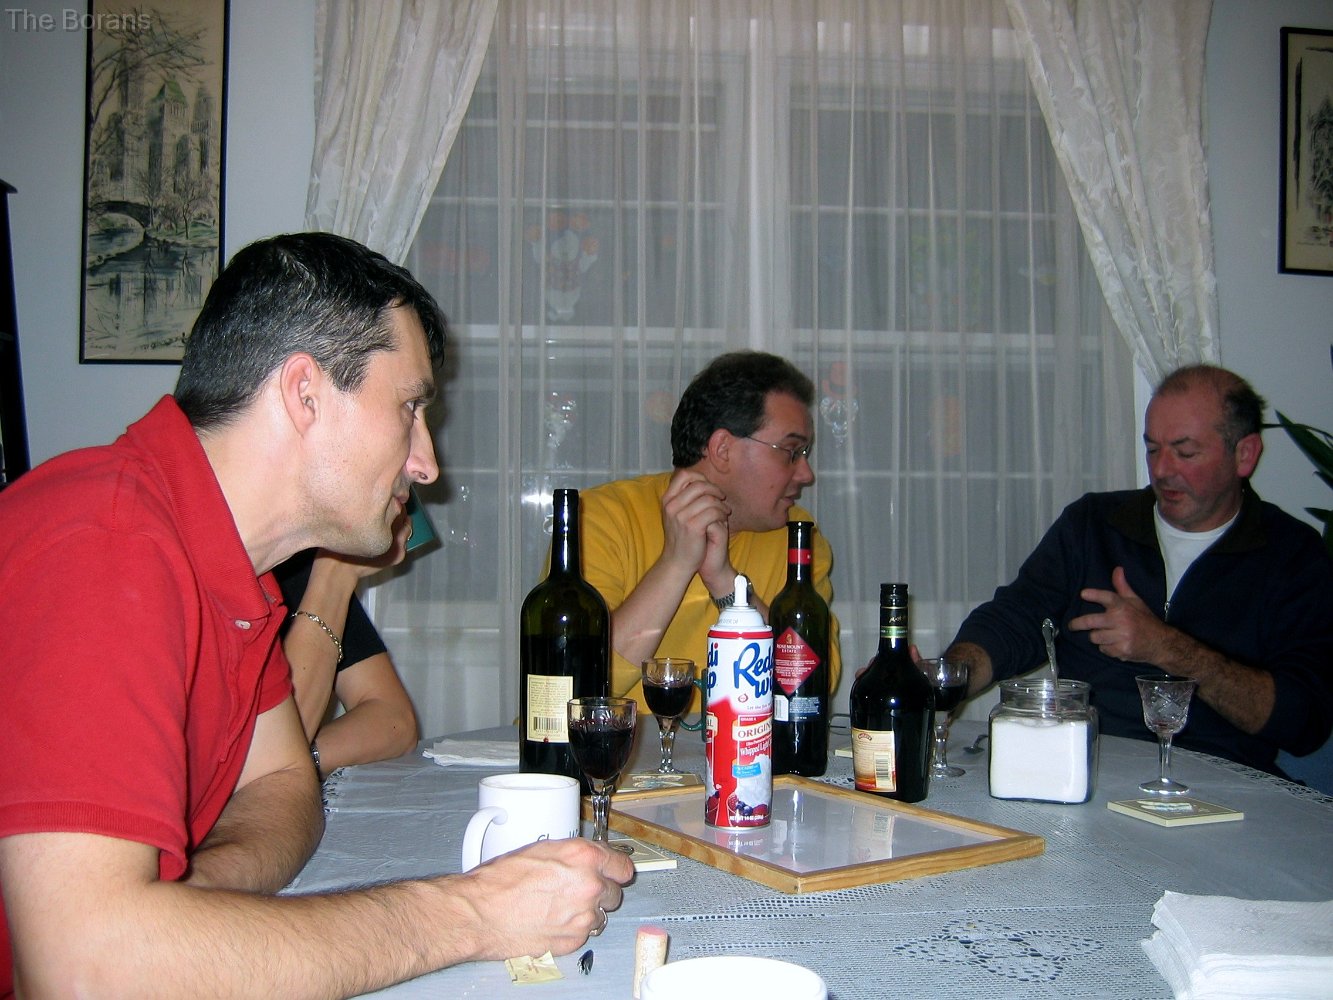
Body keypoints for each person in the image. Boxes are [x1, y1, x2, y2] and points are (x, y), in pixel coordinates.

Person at [0, 232, 632, 998]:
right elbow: (80, 973)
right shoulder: (103, 543)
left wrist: (188, 904)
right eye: (409, 408)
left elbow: (283, 782)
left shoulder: (241, 579)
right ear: (305, 393)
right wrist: (472, 912)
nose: (427, 463)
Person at [946, 364, 1333, 776]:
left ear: (1245, 454)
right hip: (1087, 770)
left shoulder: (1292, 554)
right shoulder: (1093, 525)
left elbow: (1303, 722)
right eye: (1152, 449)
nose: (1161, 470)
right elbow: (1015, 620)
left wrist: (1165, 647)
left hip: (1224, 784)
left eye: (1185, 452)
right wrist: (947, 680)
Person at [581, 350, 842, 708]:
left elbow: (811, 689)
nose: (806, 474)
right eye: (790, 451)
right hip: (613, 745)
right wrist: (676, 563)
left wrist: (726, 583)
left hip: (742, 745)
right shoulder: (601, 517)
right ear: (722, 449)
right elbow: (576, 683)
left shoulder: (798, 538)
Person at [275, 532, 419, 777]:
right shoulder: (208, 569)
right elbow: (274, 746)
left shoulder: (295, 560)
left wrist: (303, 759)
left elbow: (396, 721)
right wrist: (335, 576)